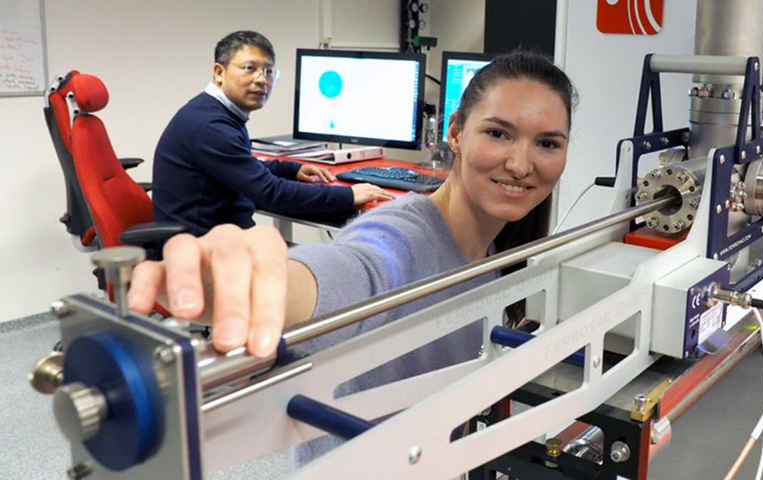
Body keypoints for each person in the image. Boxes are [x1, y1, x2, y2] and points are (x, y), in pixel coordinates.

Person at [131, 49, 574, 396]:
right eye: (498, 133)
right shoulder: (402, 238)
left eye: (547, 144)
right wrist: (248, 283)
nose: (520, 164)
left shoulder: (498, 251)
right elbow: (356, 269)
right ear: (454, 133)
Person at [152, 30, 392, 236]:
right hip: (200, 256)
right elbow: (270, 193)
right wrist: (348, 196)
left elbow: (241, 168)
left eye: (268, 72)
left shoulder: (211, 113)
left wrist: (291, 169)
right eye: (249, 69)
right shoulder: (211, 126)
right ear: (219, 72)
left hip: (216, 240)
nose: (261, 80)